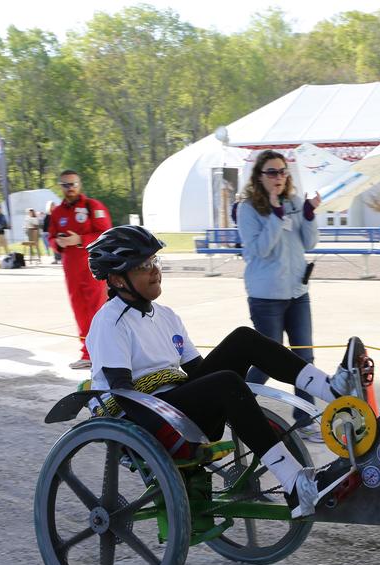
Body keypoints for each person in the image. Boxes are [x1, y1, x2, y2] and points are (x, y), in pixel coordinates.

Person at [85, 225, 355, 517]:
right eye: (142, 266)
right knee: (227, 383)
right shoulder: (110, 323)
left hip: (181, 410)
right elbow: (123, 394)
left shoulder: (166, 316)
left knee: (243, 339)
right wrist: (166, 432)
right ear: (116, 279)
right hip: (151, 425)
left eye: (155, 262)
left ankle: (332, 389)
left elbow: (198, 372)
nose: (154, 270)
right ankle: (294, 483)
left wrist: (210, 399)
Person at [236, 150, 323, 439]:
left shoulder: (294, 203)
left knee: (304, 358)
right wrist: (275, 216)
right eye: (272, 172)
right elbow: (260, 250)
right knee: (268, 360)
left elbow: (309, 242)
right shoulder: (248, 209)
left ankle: (305, 420)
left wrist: (309, 214)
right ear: (259, 177)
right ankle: (236, 401)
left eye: (282, 171)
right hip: (266, 296)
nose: (279, 177)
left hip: (298, 292)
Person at [48, 170, 113, 369]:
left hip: (92, 266)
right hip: (71, 268)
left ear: (79, 184)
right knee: (79, 310)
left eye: (73, 184)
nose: (70, 188)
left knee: (97, 308)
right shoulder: (58, 212)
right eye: (66, 185)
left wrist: (80, 240)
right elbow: (50, 237)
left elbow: (106, 233)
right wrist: (57, 242)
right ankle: (87, 352)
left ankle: (105, 352)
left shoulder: (92, 206)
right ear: (61, 187)